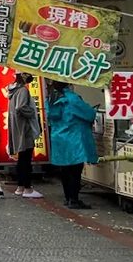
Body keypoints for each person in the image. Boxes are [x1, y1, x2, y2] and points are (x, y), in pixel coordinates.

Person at [46, 81, 97, 209]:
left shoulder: (51, 99)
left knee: (65, 170)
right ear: (68, 84)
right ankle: (74, 200)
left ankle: (68, 197)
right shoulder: (72, 99)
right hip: (73, 138)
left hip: (59, 138)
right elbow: (89, 114)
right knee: (75, 170)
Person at [8, 73, 43, 199]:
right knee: (26, 159)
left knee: (22, 159)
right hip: (24, 129)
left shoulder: (14, 90)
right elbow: (21, 107)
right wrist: (33, 113)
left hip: (18, 128)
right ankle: (27, 188)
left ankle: (20, 187)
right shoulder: (22, 90)